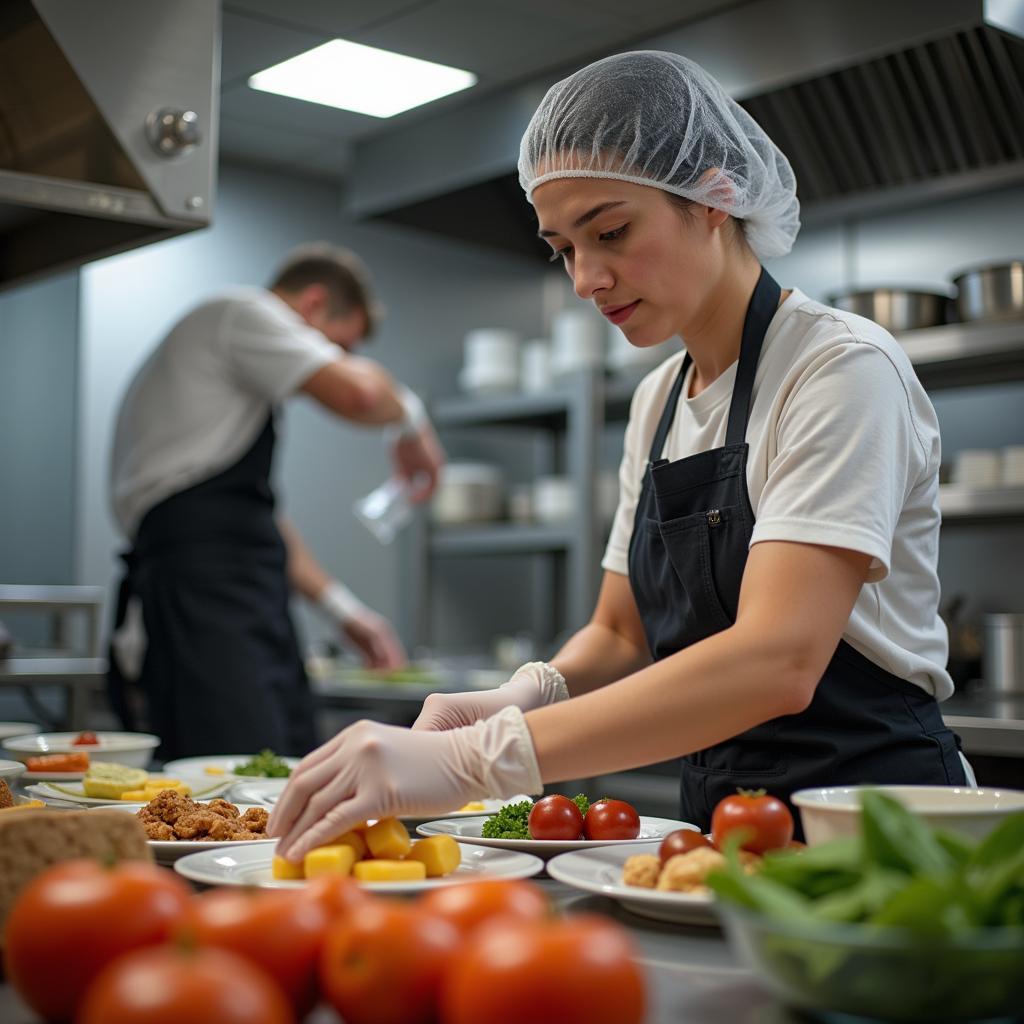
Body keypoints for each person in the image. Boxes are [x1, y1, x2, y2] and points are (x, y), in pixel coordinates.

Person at [268, 52, 972, 860]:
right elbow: (618, 631)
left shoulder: (838, 368)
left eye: (610, 232)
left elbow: (779, 659)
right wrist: (522, 695)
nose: (585, 279)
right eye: (562, 247)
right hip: (720, 827)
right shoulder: (658, 399)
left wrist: (477, 760)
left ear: (715, 197)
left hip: (874, 822)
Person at [107, 243, 444, 760]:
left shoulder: (223, 405)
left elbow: (254, 522)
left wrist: (346, 612)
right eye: (341, 348)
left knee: (282, 763)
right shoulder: (241, 312)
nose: (340, 363)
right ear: (311, 306)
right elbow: (363, 396)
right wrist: (411, 421)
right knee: (236, 772)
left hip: (235, 584)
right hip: (207, 591)